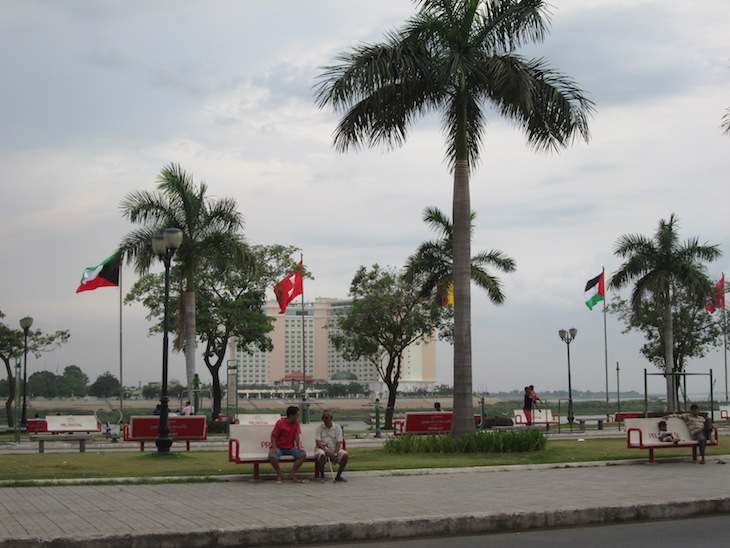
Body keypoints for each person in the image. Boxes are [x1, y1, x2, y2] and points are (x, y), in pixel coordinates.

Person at [269, 406, 308, 483]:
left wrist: (298, 447)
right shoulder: (280, 423)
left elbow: (296, 435)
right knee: (272, 457)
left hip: (290, 447)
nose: (298, 417)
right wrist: (274, 448)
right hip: (279, 447)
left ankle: (292, 473)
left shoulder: (296, 423)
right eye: (297, 415)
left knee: (302, 455)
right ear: (291, 415)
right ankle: (279, 474)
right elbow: (273, 436)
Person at [315, 409, 349, 483]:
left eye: (326, 418)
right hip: (322, 448)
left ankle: (338, 476)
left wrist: (335, 454)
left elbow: (339, 442)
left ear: (331, 418)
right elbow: (318, 441)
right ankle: (322, 475)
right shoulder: (319, 428)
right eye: (323, 418)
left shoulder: (337, 427)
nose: (324, 420)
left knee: (345, 455)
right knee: (321, 454)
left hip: (334, 449)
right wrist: (324, 449)